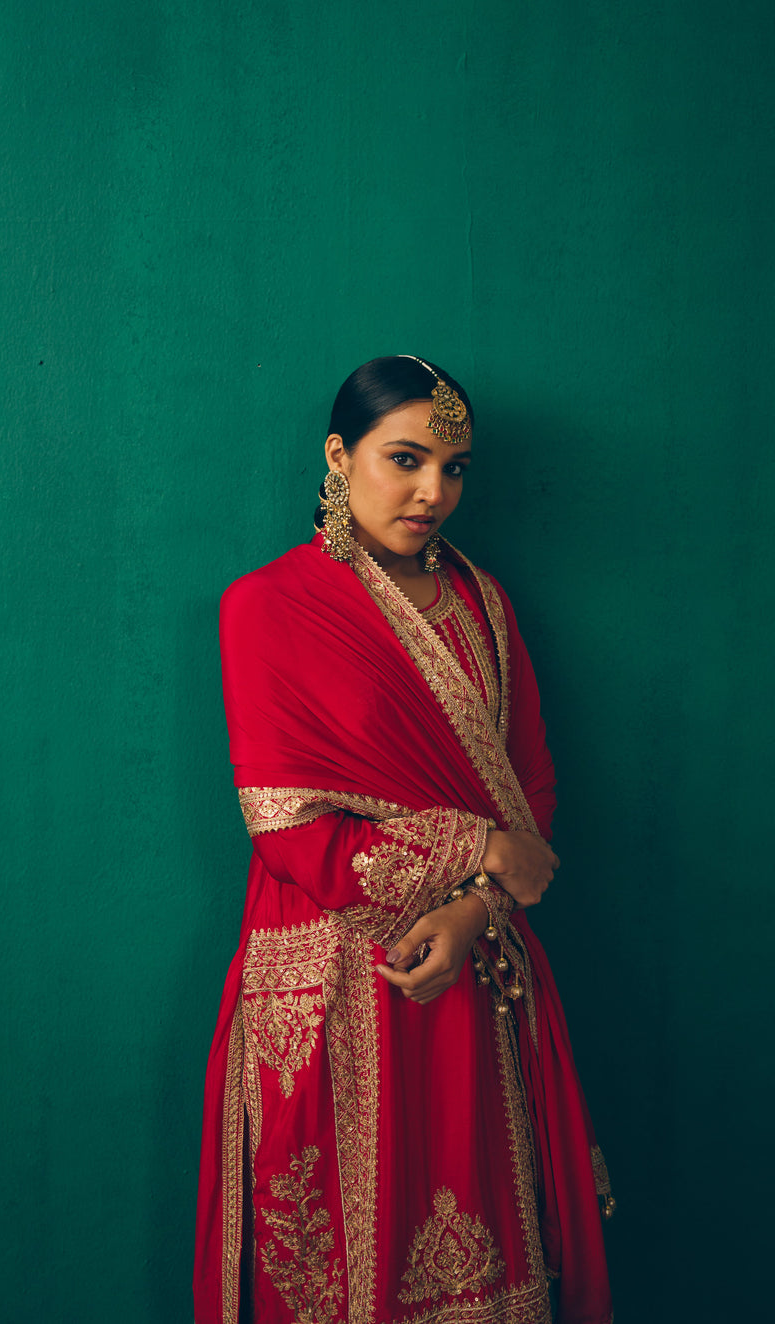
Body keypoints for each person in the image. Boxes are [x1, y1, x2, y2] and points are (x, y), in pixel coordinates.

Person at [193, 356, 614, 1324]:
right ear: (340, 456)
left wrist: (476, 909)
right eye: (406, 459)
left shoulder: (485, 608)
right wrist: (478, 846)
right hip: (339, 971)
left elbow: (530, 792)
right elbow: (287, 827)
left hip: (471, 970)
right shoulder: (265, 608)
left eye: (456, 468)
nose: (434, 492)